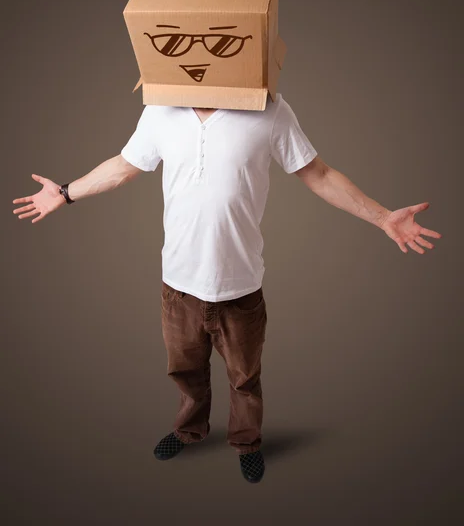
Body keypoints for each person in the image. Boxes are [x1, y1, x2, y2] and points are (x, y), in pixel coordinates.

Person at [12, 94, 442, 483]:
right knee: (185, 371)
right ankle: (189, 429)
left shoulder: (269, 109)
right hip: (178, 285)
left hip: (240, 287)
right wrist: (66, 193)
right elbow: (125, 165)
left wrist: (383, 216)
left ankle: (246, 442)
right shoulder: (161, 109)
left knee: (245, 379)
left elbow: (319, 173)